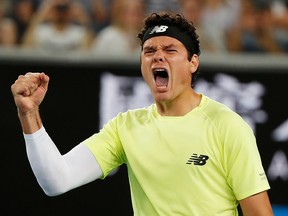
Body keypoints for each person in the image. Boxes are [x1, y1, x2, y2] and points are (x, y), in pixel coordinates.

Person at [11, 12, 274, 215]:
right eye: (149, 51)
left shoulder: (226, 125)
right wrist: (29, 114)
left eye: (170, 50)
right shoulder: (126, 127)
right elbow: (56, 181)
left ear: (193, 63)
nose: (158, 57)